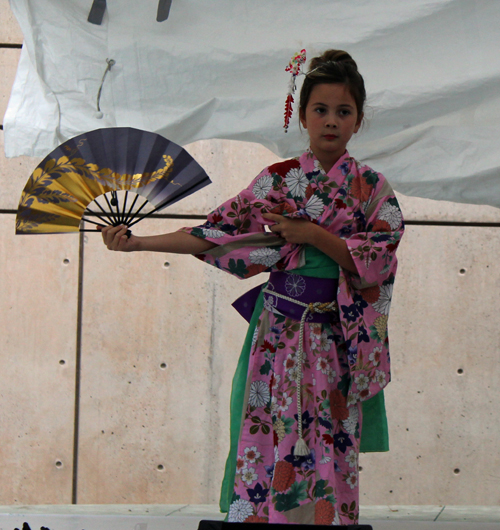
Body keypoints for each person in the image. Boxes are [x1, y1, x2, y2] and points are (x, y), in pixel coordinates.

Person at [101, 49, 404, 526]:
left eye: (343, 112)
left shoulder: (373, 188)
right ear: (301, 114)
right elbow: (217, 234)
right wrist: (137, 243)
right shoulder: (276, 182)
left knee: (331, 441)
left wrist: (316, 236)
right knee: (270, 434)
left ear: (358, 121)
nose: (331, 121)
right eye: (320, 110)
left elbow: (381, 256)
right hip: (279, 333)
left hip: (335, 338)